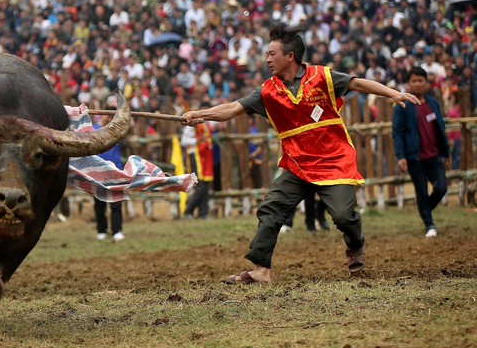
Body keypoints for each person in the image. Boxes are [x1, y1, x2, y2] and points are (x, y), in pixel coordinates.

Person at [183, 24, 420, 284]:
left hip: (333, 161)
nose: (267, 59)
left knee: (343, 216)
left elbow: (358, 83)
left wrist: (393, 93)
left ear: (290, 56)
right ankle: (261, 271)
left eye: (272, 54)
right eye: (266, 54)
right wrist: (199, 115)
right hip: (297, 164)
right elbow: (230, 109)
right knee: (270, 209)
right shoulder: (267, 91)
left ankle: (355, 243)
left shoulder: (323, 77)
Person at [391, 67, 450, 238]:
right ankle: (429, 224)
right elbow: (397, 133)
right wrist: (400, 156)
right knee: (421, 191)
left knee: (441, 188)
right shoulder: (402, 105)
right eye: (414, 81)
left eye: (420, 80)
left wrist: (445, 151)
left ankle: (425, 209)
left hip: (434, 154)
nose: (417, 84)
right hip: (414, 157)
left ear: (426, 82)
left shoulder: (433, 103)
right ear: (408, 83)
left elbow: (440, 128)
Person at [94, 98, 125, 241]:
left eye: (113, 116)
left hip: (115, 170)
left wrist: (118, 106)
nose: (110, 118)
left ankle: (117, 230)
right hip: (98, 171)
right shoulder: (93, 129)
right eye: (108, 115)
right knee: (99, 203)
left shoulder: (117, 129)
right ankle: (102, 230)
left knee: (116, 202)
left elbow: (127, 121)